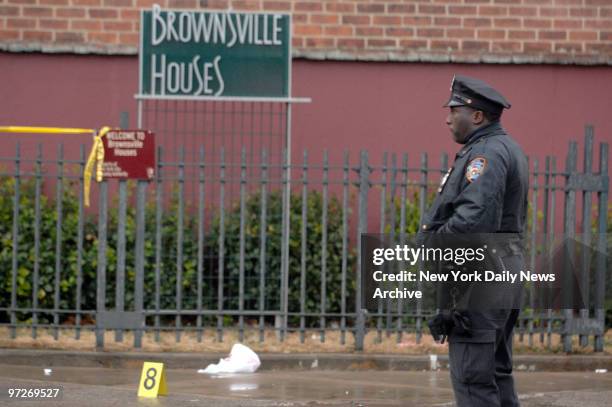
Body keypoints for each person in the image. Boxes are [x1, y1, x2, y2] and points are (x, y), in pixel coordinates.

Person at [421, 75, 528, 407]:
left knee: (473, 382)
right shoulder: (504, 147)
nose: (448, 118)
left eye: (454, 110)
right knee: (494, 375)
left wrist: (430, 244)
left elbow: (473, 221)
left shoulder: (486, 155)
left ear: (477, 115)